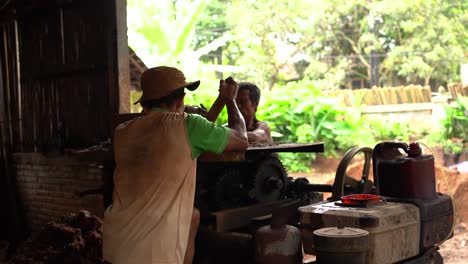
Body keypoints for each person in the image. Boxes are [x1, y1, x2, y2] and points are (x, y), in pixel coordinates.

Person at [102, 66, 248, 264]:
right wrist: (230, 99)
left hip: (114, 248)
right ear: (180, 100)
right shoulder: (188, 126)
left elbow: (194, 132)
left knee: (192, 216)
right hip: (152, 257)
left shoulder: (122, 132)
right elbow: (241, 138)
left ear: (146, 102)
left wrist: (219, 101)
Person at [206, 82, 272, 144]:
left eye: (242, 101)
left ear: (255, 104)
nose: (237, 106)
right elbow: (208, 135)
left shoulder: (262, 126)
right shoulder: (227, 128)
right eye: (234, 102)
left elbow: (257, 137)